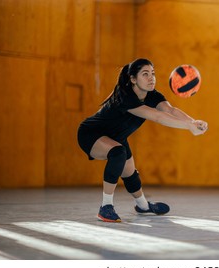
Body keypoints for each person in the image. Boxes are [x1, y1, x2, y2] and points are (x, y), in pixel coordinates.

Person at [77, 58, 208, 222]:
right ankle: (105, 207)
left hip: (116, 137)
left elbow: (169, 110)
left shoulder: (152, 95)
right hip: (91, 134)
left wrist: (192, 122)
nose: (151, 78)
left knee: (130, 172)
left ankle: (143, 206)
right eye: (145, 74)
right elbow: (158, 116)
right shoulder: (125, 96)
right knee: (118, 153)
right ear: (133, 79)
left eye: (152, 73)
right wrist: (187, 127)